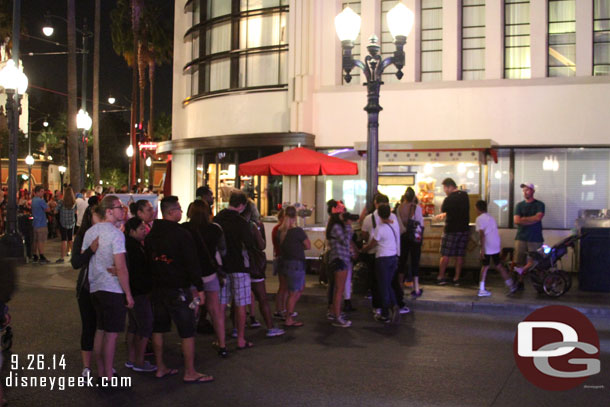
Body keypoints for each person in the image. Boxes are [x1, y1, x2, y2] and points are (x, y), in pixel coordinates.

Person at [145, 196, 212, 383]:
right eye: (179, 209)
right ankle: (190, 371)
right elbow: (192, 263)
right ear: (172, 211)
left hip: (157, 287)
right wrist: (199, 288)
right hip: (178, 288)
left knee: (158, 329)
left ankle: (160, 367)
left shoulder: (152, 235)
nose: (182, 212)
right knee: (187, 330)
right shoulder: (181, 234)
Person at [82, 196, 135, 382]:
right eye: (119, 207)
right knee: (111, 335)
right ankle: (108, 374)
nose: (123, 210)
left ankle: (101, 370)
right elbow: (121, 267)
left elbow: (84, 257)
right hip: (112, 288)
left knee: (100, 329)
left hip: (95, 286)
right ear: (109, 211)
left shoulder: (90, 232)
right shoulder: (116, 234)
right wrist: (128, 293)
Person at [183, 199, 229, 358]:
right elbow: (223, 251)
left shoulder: (184, 229)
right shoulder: (215, 230)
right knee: (215, 311)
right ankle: (222, 345)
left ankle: (188, 346)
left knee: (192, 310)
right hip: (210, 276)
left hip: (192, 278)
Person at [214, 190, 256, 349]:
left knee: (221, 304)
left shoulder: (218, 218)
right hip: (239, 266)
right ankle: (240, 339)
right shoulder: (241, 222)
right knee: (240, 304)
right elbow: (250, 244)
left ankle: (221, 340)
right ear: (242, 205)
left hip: (221, 267)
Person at [241, 200, 285, 337]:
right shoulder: (254, 226)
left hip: (238, 264)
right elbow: (262, 245)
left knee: (239, 299)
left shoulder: (235, 224)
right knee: (262, 297)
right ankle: (270, 327)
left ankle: (238, 329)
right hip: (253, 264)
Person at [362, 194, 409, 315]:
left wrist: (364, 249)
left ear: (375, 204)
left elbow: (366, 237)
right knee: (390, 283)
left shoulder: (371, 220)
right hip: (393, 255)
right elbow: (400, 233)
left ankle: (383, 310)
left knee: (380, 284)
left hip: (379, 256)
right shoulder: (393, 218)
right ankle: (396, 305)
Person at [123, 217, 156, 372]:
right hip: (138, 292)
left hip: (131, 292)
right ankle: (139, 361)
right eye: (141, 229)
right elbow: (139, 274)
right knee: (145, 325)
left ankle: (132, 358)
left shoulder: (129, 245)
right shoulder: (134, 249)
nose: (145, 231)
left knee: (134, 326)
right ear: (131, 231)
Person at [71, 205, 100, 379]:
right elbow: (75, 262)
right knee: (89, 326)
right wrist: (90, 250)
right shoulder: (83, 236)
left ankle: (105, 366)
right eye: (98, 214)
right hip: (87, 287)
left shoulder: (110, 233)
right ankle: (87, 367)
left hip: (105, 286)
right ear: (90, 216)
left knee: (104, 328)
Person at [475, 200, 517, 297]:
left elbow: (482, 235)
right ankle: (511, 285)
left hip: (488, 245)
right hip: (495, 244)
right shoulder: (491, 217)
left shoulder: (479, 219)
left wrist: (482, 249)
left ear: (477, 208)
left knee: (485, 266)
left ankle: (481, 288)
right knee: (498, 265)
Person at [278, 206, 310, 327]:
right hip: (296, 264)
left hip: (285, 263)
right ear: (295, 217)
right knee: (294, 293)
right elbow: (308, 245)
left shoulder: (281, 231)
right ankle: (289, 318)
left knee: (294, 290)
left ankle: (287, 313)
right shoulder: (297, 231)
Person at [436, 178, 470, 286]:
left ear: (449, 187)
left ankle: (441, 277)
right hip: (464, 229)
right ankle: (456, 278)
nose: (445, 191)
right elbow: (458, 211)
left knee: (445, 254)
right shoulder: (465, 196)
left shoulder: (449, 199)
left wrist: (444, 214)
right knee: (459, 255)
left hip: (451, 230)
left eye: (445, 188)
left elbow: (444, 209)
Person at [325, 199, 353, 328]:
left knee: (337, 289)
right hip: (339, 259)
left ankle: (335, 313)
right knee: (339, 290)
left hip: (339, 259)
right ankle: (337, 316)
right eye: (343, 213)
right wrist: (348, 226)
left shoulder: (334, 226)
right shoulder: (336, 227)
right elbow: (345, 242)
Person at [513, 183, 545, 282]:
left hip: (535, 238)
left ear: (533, 191)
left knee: (536, 262)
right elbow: (516, 221)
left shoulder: (539, 204)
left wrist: (523, 219)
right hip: (521, 237)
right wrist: (532, 220)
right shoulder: (519, 205)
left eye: (527, 190)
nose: (525, 192)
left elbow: (538, 217)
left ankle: (539, 283)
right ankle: (520, 282)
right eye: (524, 190)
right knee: (519, 261)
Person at [397, 187, 424, 298]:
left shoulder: (399, 208)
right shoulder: (416, 208)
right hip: (414, 238)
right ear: (413, 197)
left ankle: (399, 287)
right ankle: (416, 288)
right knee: (415, 261)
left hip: (403, 237)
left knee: (402, 261)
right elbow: (420, 224)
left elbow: (399, 224)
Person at [271, 209, 289, 319]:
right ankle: (281, 309)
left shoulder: (276, 229)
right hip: (282, 258)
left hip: (279, 258)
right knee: (283, 286)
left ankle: (282, 308)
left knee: (283, 286)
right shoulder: (279, 229)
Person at [56, 186, 77, 263]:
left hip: (63, 222)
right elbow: (75, 212)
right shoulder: (74, 202)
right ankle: (73, 256)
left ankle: (62, 257)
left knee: (64, 239)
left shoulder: (61, 202)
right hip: (71, 222)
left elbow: (55, 211)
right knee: (71, 239)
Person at [31, 186, 50, 264]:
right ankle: (42, 255)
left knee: (35, 240)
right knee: (41, 240)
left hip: (35, 223)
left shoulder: (33, 200)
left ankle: (35, 255)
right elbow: (47, 209)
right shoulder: (40, 201)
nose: (43, 193)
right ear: (37, 192)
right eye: (41, 191)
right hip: (41, 223)